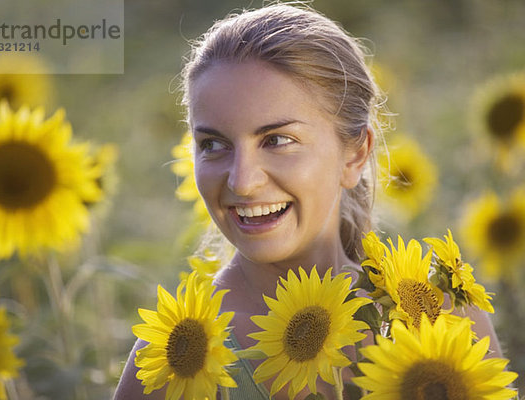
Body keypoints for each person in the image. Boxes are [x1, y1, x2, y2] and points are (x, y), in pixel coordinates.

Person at [115, 4, 502, 399]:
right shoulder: (173, 359)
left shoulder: (441, 316)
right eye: (213, 145)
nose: (243, 182)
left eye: (277, 140)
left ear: (354, 154)